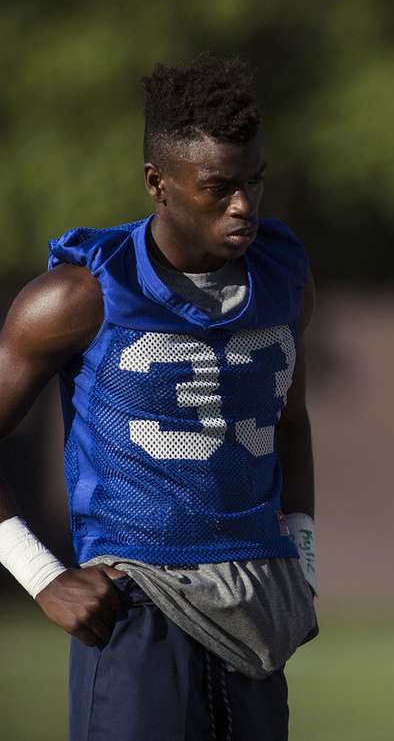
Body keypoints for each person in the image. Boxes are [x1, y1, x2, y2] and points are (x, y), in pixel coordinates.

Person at [0, 56, 318, 741]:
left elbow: (290, 420)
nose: (244, 205)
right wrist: (41, 577)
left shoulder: (286, 276)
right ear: (158, 184)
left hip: (256, 598)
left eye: (254, 181)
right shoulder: (79, 296)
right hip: (138, 604)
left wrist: (304, 557)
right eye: (220, 187)